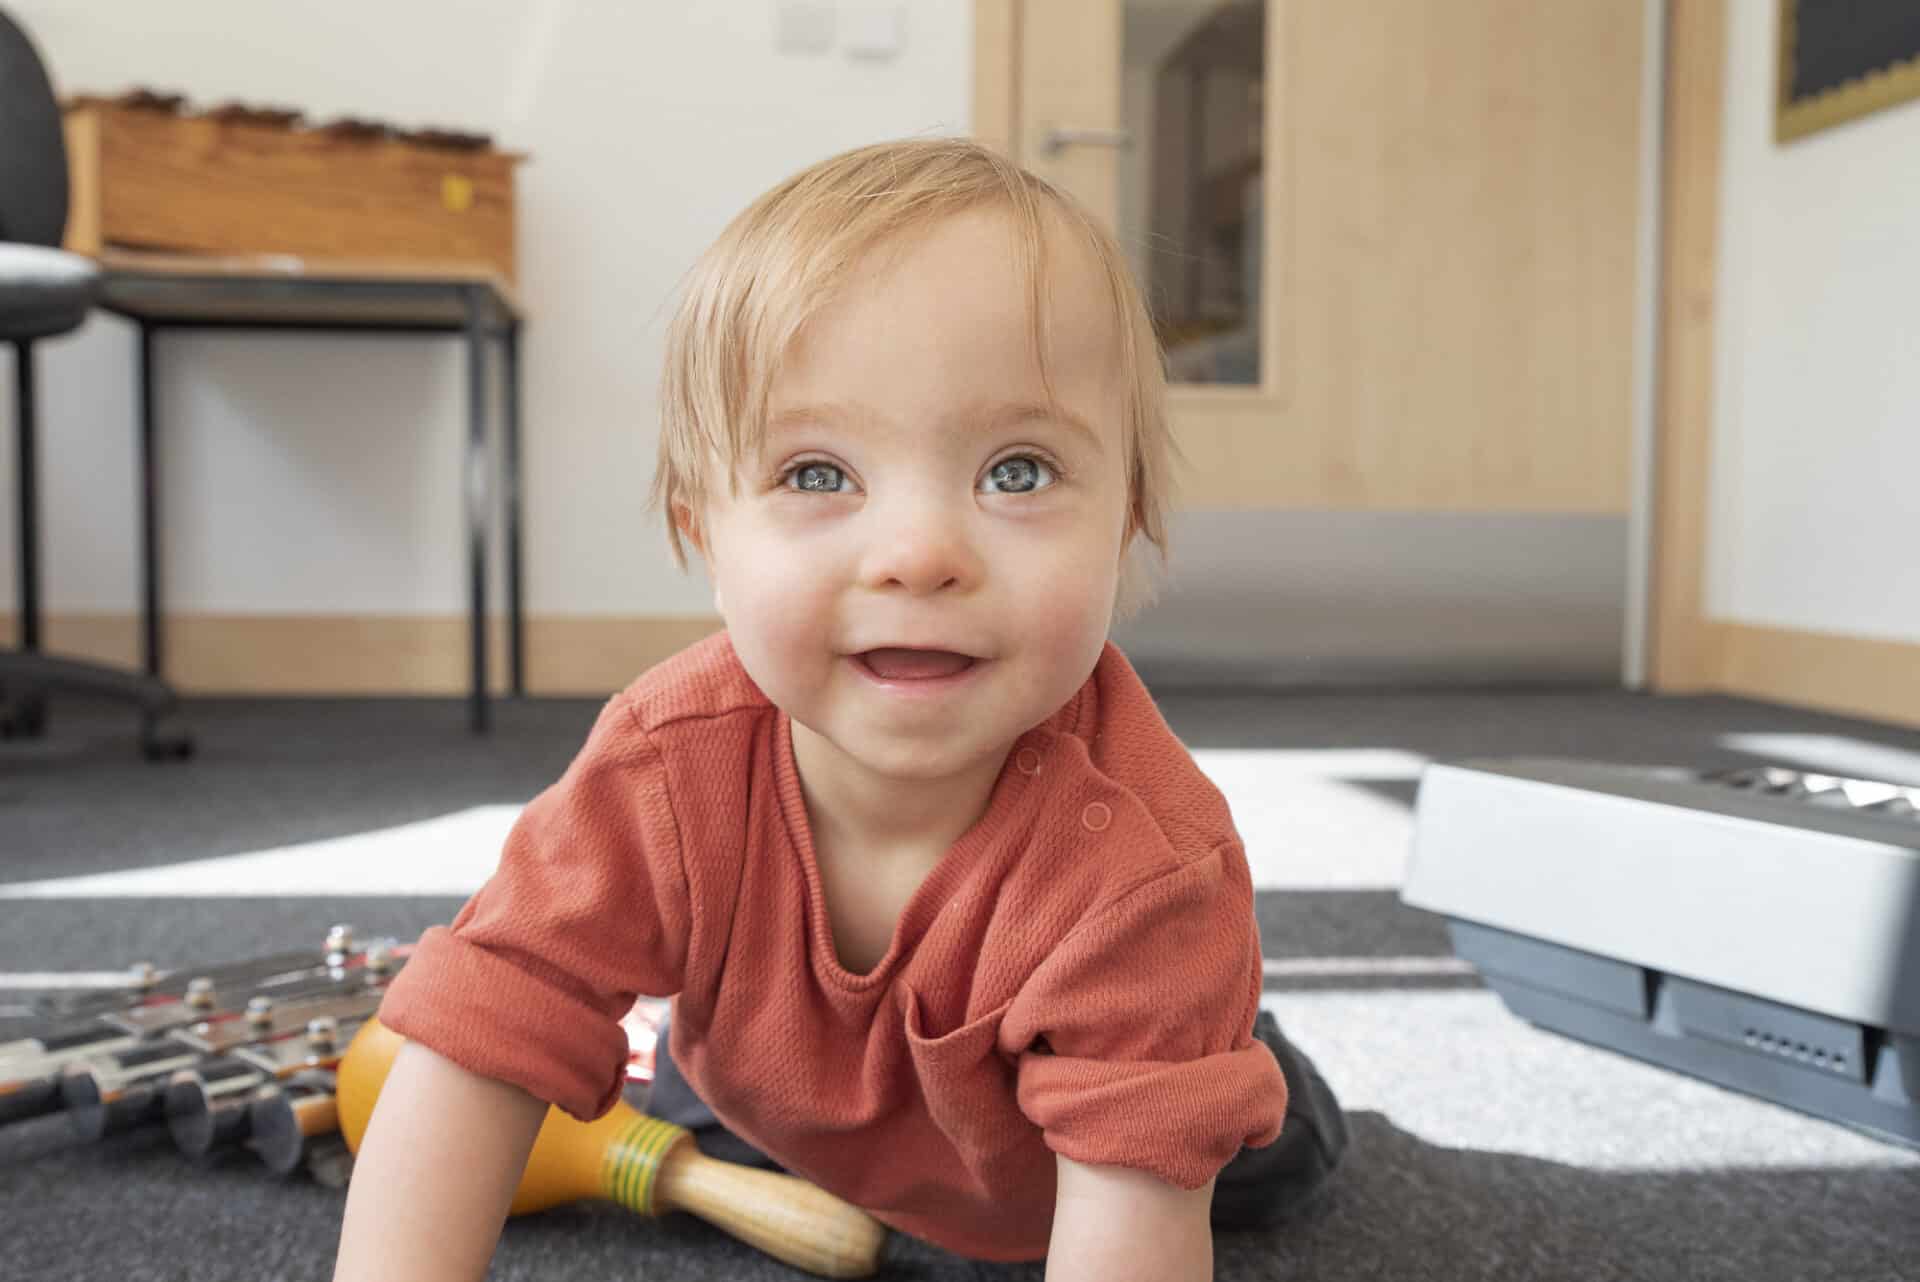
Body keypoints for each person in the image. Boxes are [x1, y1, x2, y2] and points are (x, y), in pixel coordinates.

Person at [331, 137, 1346, 1282]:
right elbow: (482, 1028)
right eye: (818, 474)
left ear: (1125, 520)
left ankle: (1240, 1043)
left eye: (1016, 471)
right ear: (702, 535)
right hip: (767, 1101)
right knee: (685, 1069)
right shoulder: (665, 766)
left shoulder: (1152, 872)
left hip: (1061, 1178)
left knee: (1266, 1136)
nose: (917, 555)